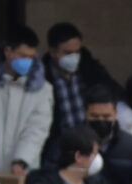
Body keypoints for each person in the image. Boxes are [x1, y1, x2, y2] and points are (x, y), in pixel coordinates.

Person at [0, 28, 53, 176]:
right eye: (22, 55)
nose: (27, 61)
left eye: (31, 57)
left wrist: (21, 161)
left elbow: (37, 129)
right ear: (8, 51)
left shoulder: (42, 90)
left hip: (24, 173)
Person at [38, 23, 115, 162]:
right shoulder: (41, 77)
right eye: (67, 53)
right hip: (57, 147)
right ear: (53, 51)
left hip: (92, 143)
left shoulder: (90, 70)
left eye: (77, 52)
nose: (74, 57)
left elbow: (112, 93)